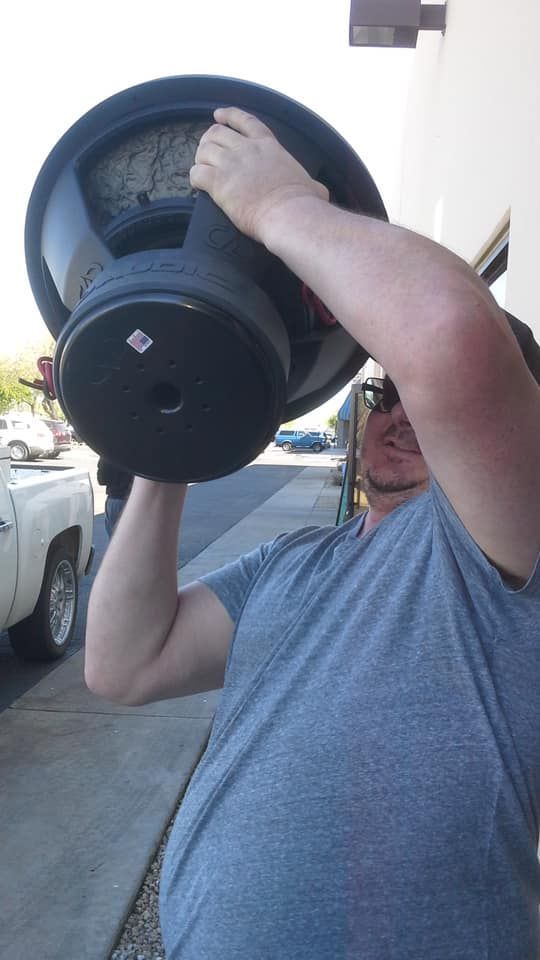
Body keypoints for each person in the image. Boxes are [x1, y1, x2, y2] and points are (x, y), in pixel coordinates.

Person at [85, 108, 540, 960]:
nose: (401, 416)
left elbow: (453, 339)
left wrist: (281, 207)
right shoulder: (295, 562)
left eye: (428, 405)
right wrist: (169, 439)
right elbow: (125, 664)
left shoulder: (498, 550)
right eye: (387, 395)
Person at [96, 456, 133, 538]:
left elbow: (102, 479)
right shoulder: (142, 450)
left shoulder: (110, 451)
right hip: (137, 499)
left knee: (115, 538)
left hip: (116, 498)